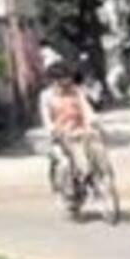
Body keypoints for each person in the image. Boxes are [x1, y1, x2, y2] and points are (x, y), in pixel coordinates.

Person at [41, 63, 99, 204]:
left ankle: (94, 185)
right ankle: (65, 192)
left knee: (93, 156)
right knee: (65, 164)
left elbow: (86, 107)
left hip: (79, 132)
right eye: (63, 78)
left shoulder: (76, 92)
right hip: (60, 136)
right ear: (54, 80)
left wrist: (92, 120)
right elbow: (46, 116)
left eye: (68, 77)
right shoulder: (47, 96)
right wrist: (52, 129)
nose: (67, 81)